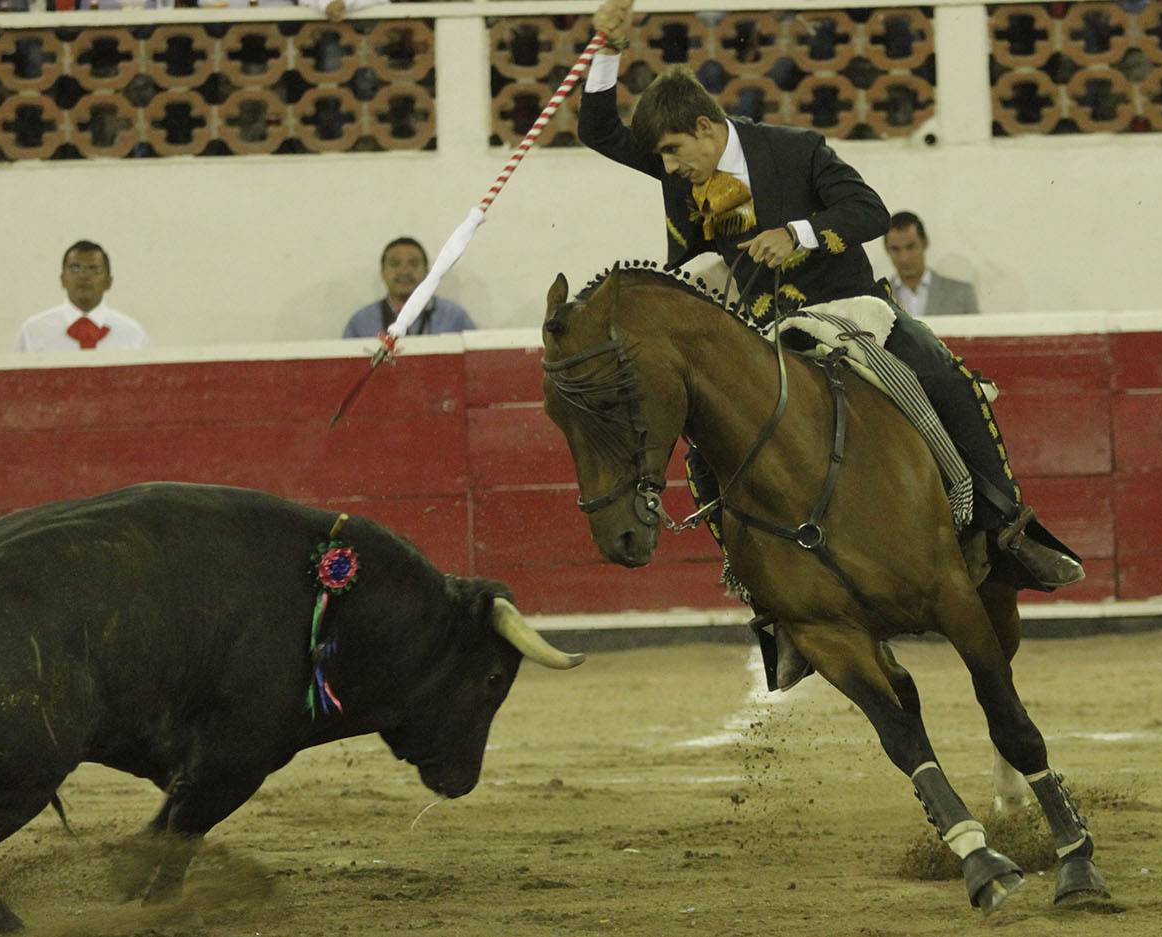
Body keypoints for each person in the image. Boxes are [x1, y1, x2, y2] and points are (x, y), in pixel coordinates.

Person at [579, 0, 1081, 597]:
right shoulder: (684, 162)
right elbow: (598, 131)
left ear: (706, 129)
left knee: (947, 379)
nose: (666, 168)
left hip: (851, 312)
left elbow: (870, 212)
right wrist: (608, 49)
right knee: (703, 455)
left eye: (672, 152)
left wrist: (798, 234)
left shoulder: (795, 149)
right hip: (768, 333)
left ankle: (1009, 530)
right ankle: (762, 589)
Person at [13, 240, 149, 352]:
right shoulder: (33, 332)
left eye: (93, 269)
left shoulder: (132, 334)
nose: (83, 276)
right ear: (62, 279)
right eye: (75, 268)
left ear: (108, 282)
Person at [343, 237, 476, 338]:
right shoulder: (360, 322)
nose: (404, 271)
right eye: (395, 264)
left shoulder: (454, 317)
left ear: (426, 272)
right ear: (382, 273)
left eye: (413, 264)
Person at [884, 211, 980, 317]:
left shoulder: (961, 294)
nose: (904, 258)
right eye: (895, 249)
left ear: (925, 243)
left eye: (911, 247)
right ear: (887, 250)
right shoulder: (877, 299)